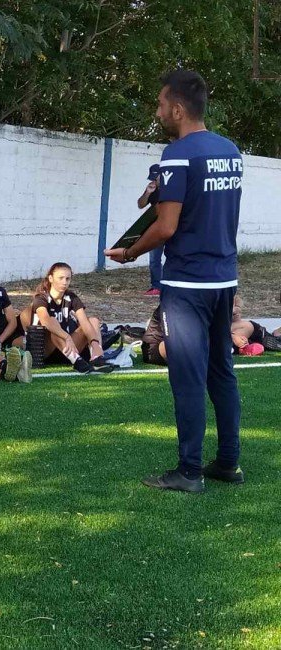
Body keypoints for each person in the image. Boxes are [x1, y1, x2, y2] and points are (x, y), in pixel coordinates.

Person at [105, 69, 244, 492]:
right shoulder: (230, 151)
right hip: (224, 280)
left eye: (161, 104)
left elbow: (166, 227)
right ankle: (228, 463)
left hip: (187, 285)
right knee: (221, 371)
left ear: (178, 109)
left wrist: (129, 253)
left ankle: (189, 471)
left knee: (187, 377)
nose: (158, 111)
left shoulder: (177, 154)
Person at [19, 262, 114, 374]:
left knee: (93, 320)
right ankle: (77, 362)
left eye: (67, 279)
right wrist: (67, 337)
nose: (64, 282)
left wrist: (95, 342)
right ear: (51, 278)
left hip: (68, 347)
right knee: (53, 322)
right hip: (44, 351)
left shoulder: (71, 297)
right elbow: (46, 321)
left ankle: (96, 357)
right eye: (60, 278)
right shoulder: (41, 298)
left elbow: (84, 322)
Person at [138, 164, 163, 296]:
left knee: (174, 257)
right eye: (152, 178)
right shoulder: (152, 189)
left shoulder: (172, 188)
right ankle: (156, 286)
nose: (154, 180)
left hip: (170, 226)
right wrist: (147, 193)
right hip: (155, 228)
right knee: (154, 259)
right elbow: (140, 204)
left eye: (156, 177)